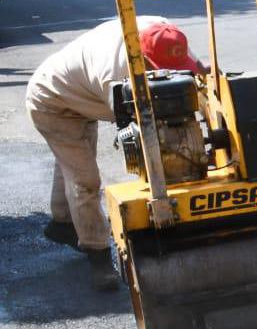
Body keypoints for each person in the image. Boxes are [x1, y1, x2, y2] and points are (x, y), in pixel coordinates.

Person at [27, 17, 203, 291]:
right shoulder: (114, 74)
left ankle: (62, 223)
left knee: (74, 160)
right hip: (51, 102)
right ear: (144, 58)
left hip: (79, 93)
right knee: (85, 179)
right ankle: (98, 255)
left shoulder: (164, 31)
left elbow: (197, 74)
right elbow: (140, 133)